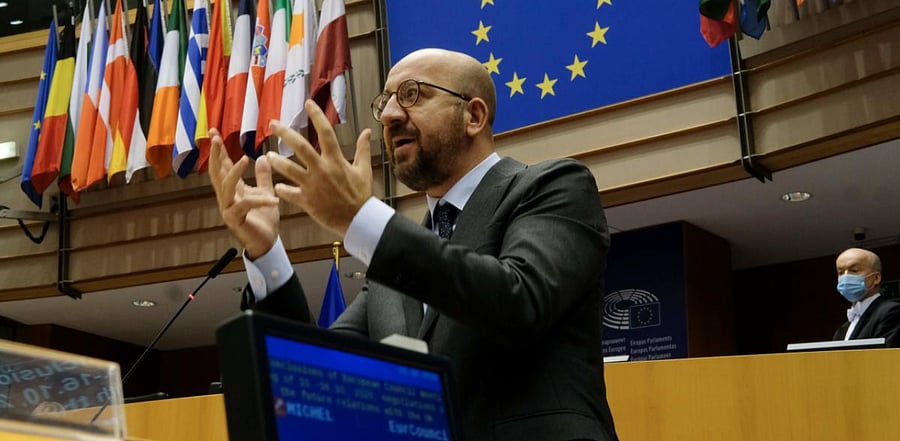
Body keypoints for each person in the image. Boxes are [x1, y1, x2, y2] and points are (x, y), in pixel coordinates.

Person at [209, 48, 619, 441]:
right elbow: (318, 375)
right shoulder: (390, 273)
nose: (388, 116)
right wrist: (266, 253)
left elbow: (518, 301)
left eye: (411, 95)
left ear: (473, 115)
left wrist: (359, 218)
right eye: (384, 102)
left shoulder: (554, 188)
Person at [832, 247, 900, 347]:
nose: (845, 277)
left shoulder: (891, 312)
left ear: (876, 278)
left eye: (854, 270)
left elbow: (887, 358)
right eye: (841, 273)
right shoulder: (842, 329)